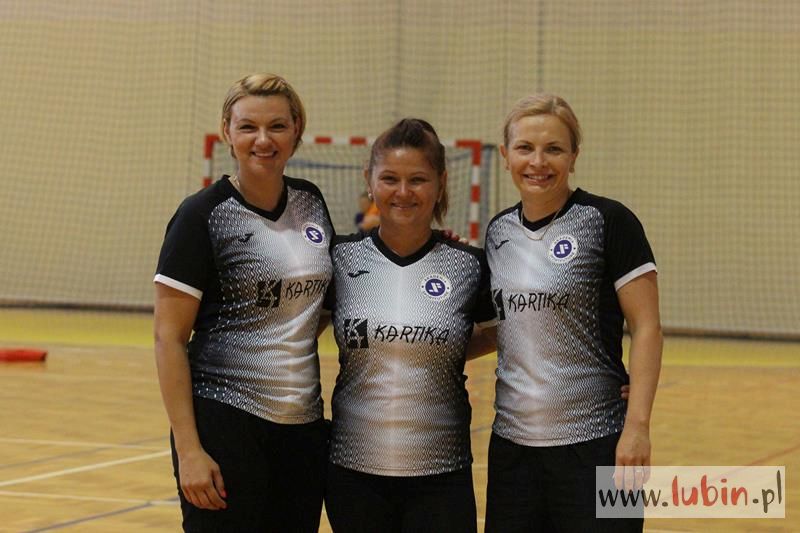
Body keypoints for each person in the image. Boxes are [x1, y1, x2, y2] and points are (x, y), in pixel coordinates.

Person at [153, 73, 332, 532]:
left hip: (302, 428)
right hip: (224, 422)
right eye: (248, 126)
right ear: (227, 132)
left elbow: (316, 307)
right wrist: (189, 450)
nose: (263, 140)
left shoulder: (311, 202)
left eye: (277, 126)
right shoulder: (201, 215)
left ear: (296, 130)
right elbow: (168, 339)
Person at [484, 93, 662, 532]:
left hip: (599, 443)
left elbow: (646, 327)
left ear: (574, 156)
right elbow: (505, 326)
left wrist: (638, 426)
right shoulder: (498, 232)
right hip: (513, 452)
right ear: (505, 156)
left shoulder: (610, 220)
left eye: (554, 149)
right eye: (525, 148)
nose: (538, 162)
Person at [323, 118, 497, 533]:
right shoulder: (340, 259)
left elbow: (511, 329)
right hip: (353, 469)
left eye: (417, 179)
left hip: (441, 471)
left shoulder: (469, 264)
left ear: (440, 182)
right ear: (369, 181)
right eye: (390, 179)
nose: (403, 192)